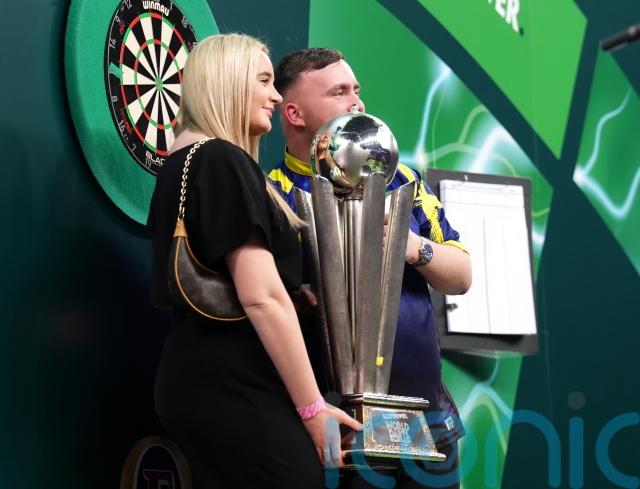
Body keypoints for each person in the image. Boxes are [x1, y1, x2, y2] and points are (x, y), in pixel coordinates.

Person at [147, 35, 361, 489]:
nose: (276, 96)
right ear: (226, 82)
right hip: (235, 383)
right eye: (263, 81)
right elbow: (262, 298)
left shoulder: (183, 163)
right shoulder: (222, 159)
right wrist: (312, 409)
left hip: (199, 381)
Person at [267, 48, 472, 488]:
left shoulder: (403, 180)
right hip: (336, 425)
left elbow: (462, 276)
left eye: (356, 90)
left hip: (426, 419)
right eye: (339, 92)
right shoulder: (273, 193)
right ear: (294, 113)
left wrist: (413, 247)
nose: (356, 103)